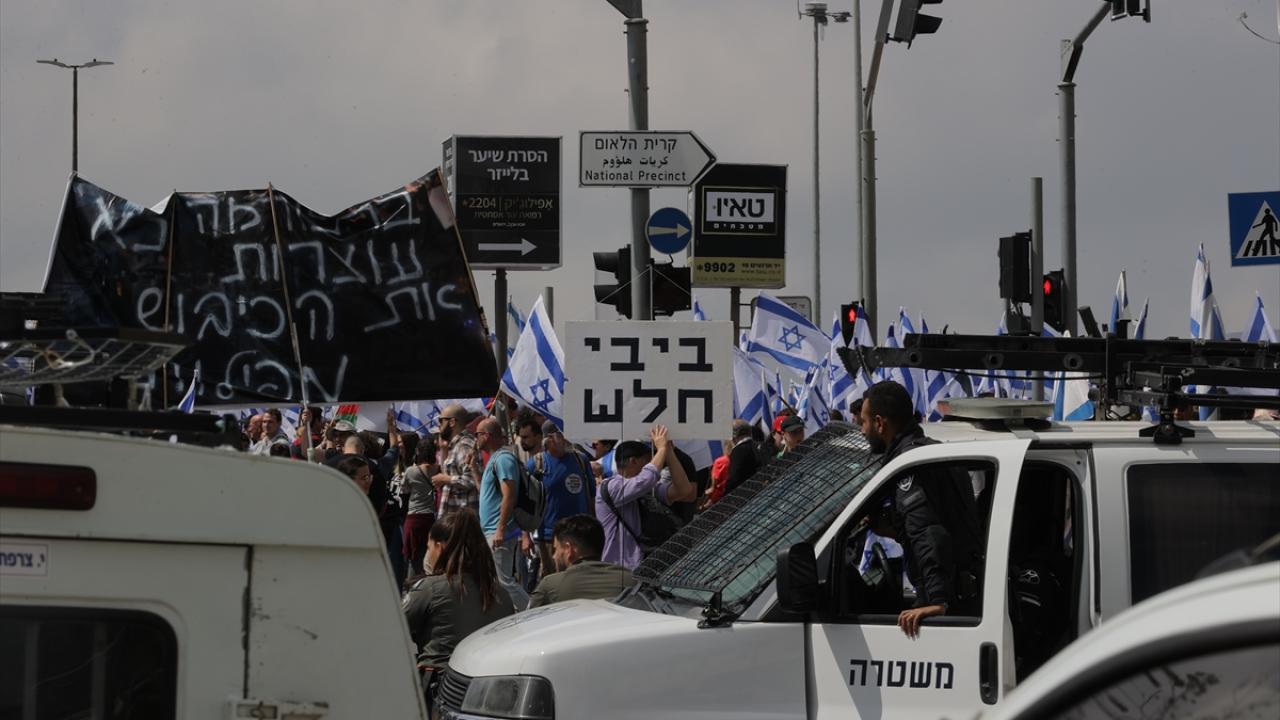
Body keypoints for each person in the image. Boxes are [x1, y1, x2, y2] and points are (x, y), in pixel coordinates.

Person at [860, 380, 983, 639]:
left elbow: (928, 531)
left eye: (864, 422)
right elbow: (941, 519)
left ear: (880, 423)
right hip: (965, 592)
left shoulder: (910, 465)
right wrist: (892, 529)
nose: (862, 430)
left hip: (948, 603)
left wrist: (937, 600)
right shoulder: (930, 451)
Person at [401, 509, 515, 672]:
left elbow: (391, 628)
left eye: (428, 547)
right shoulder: (503, 595)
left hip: (442, 684)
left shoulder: (430, 589)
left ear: (439, 548)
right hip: (489, 683)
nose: (428, 555)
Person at [595, 425, 695, 570]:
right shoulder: (611, 486)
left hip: (648, 565)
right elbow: (645, 479)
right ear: (633, 461)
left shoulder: (646, 487)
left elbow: (683, 490)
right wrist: (661, 449)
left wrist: (669, 452)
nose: (654, 463)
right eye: (648, 460)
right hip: (618, 569)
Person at [474, 417, 530, 609]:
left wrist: (500, 529)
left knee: (504, 581)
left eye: (477, 434)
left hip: (500, 532)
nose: (475, 439)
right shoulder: (494, 460)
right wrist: (473, 469)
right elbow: (486, 493)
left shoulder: (503, 459)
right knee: (498, 580)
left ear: (487, 436)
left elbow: (509, 495)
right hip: (492, 531)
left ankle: (533, 612)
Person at [529, 420, 595, 580]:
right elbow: (525, 502)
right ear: (550, 439)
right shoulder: (536, 464)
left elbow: (592, 497)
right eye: (562, 434)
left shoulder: (581, 460)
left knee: (581, 580)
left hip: (580, 534)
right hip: (550, 538)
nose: (567, 438)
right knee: (554, 581)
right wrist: (524, 536)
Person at [528, 515, 634, 607]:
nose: (554, 556)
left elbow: (529, 621)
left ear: (568, 549)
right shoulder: (631, 581)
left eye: (555, 549)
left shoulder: (549, 586)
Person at [432, 405, 480, 521]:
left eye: (441, 421)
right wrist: (443, 449)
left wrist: (445, 479)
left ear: (452, 422)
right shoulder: (456, 445)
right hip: (455, 519)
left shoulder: (464, 445)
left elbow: (471, 480)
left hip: (463, 520)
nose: (439, 425)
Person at [400, 442, 439, 577]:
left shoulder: (411, 471)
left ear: (418, 452)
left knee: (413, 559)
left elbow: (404, 490)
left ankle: (412, 585)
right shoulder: (438, 469)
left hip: (414, 518)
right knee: (426, 555)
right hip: (430, 518)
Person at [724, 419, 761, 495]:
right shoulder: (762, 446)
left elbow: (734, 479)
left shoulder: (737, 451)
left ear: (733, 436)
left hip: (746, 496)